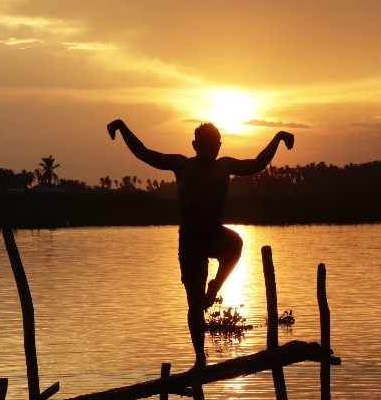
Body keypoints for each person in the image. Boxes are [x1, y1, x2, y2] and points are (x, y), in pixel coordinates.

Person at [107, 119, 294, 368]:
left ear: (219, 145)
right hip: (191, 240)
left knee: (236, 242)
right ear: (194, 145)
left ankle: (215, 286)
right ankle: (199, 358)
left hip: (214, 233)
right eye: (204, 146)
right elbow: (144, 153)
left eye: (214, 145)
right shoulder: (182, 165)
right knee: (194, 304)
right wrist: (121, 127)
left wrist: (278, 137)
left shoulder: (224, 165)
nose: (209, 150)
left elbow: (257, 163)